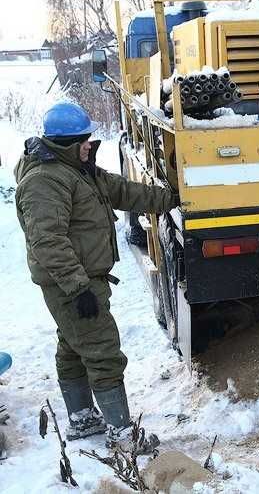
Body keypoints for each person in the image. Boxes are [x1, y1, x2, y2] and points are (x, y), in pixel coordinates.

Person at [14, 102, 178, 452]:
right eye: (84, 140)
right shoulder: (45, 180)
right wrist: (78, 288)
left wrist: (171, 198)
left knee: (73, 346)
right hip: (71, 283)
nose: (91, 145)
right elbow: (48, 240)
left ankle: (83, 418)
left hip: (82, 279)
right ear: (66, 142)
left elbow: (121, 191)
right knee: (103, 351)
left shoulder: (75, 169)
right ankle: (122, 435)